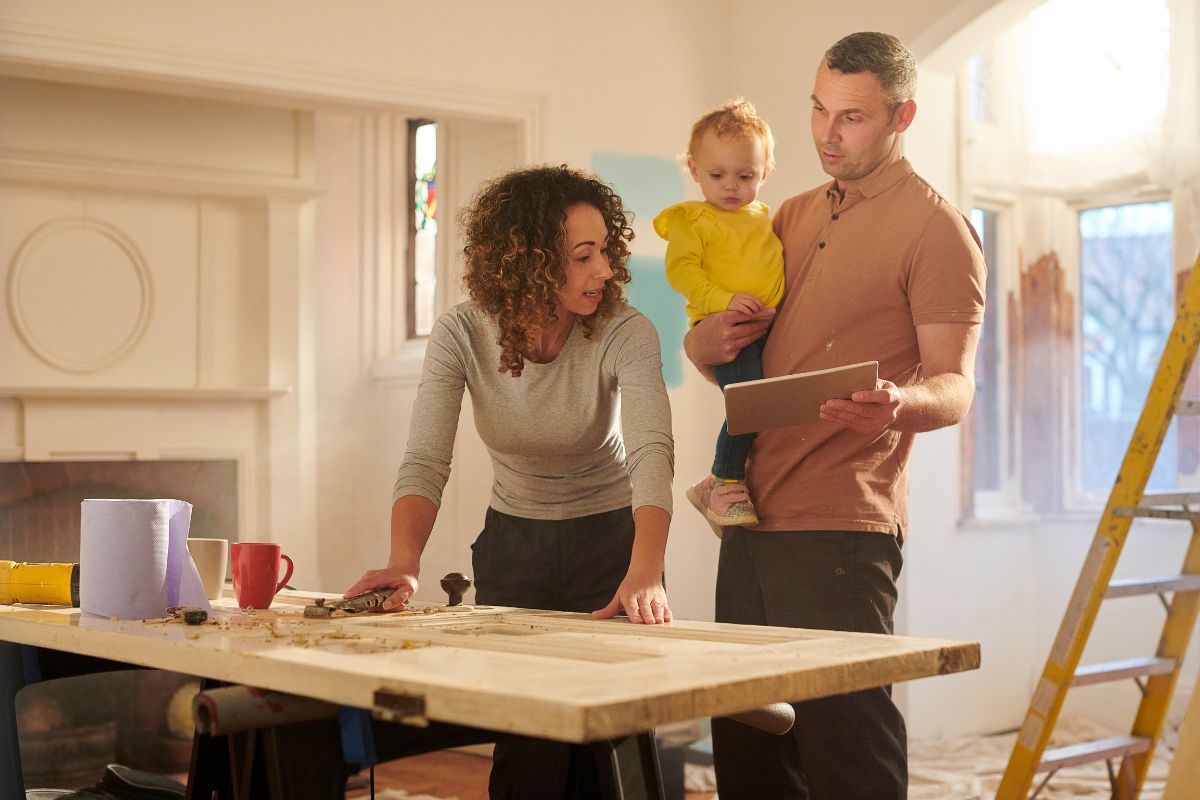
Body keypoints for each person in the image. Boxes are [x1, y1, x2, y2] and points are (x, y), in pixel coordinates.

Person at [684, 32, 986, 800]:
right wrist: (703, 341)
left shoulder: (937, 230)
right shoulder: (783, 213)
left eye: (851, 117)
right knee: (748, 747)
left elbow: (955, 385)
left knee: (845, 745)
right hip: (748, 515)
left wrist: (896, 405)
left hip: (843, 524)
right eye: (819, 110)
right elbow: (732, 356)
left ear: (901, 116)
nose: (827, 132)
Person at [345, 165, 675, 798]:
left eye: (606, 250)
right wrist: (404, 561)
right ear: (528, 263)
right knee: (528, 760)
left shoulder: (626, 331)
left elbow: (651, 451)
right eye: (584, 256)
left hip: (611, 547)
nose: (604, 270)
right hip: (514, 547)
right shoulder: (461, 333)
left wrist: (648, 570)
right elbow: (424, 458)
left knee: (616, 754)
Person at [653, 98, 785, 532]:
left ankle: (720, 482)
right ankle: (723, 480)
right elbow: (682, 272)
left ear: (765, 172)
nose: (731, 186)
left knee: (766, 404)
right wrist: (722, 300)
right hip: (722, 326)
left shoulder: (765, 216)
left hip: (766, 327)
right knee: (750, 402)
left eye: (745, 176)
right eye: (717, 175)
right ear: (693, 170)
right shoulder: (692, 218)